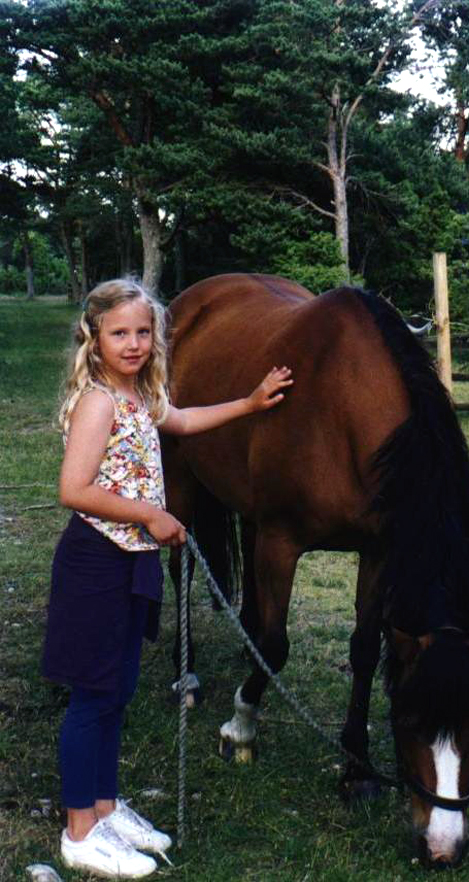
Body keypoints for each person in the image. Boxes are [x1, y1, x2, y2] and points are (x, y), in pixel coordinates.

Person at [41, 278, 293, 879]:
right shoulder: (99, 400)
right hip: (97, 561)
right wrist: (152, 514)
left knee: (117, 690)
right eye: (119, 333)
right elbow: (73, 489)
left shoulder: (138, 393)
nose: (133, 344)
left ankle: (105, 808)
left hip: (132, 562)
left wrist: (250, 404)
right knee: (91, 699)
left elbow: (180, 419)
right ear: (93, 337)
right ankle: (80, 831)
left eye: (143, 332)